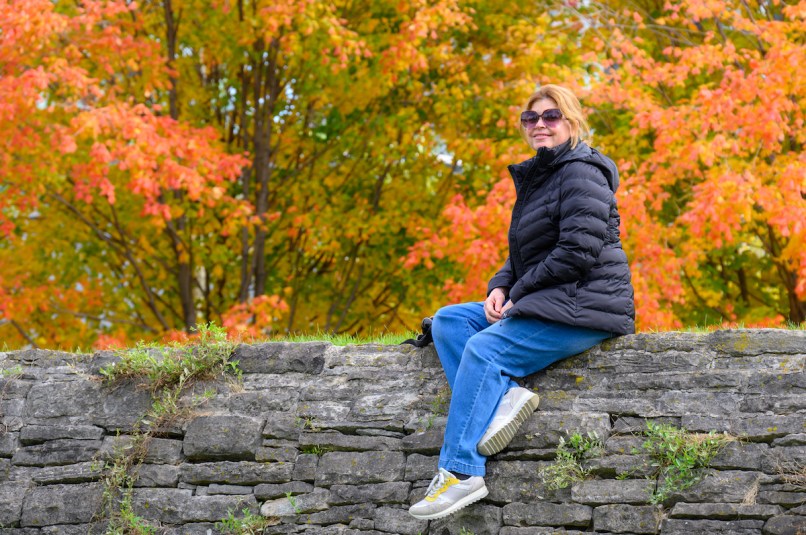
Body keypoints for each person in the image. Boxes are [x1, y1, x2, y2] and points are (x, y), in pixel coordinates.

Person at [408, 84, 635, 520]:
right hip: (551, 299)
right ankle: (506, 398)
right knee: (449, 322)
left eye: (550, 116)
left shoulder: (581, 172)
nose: (540, 125)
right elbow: (525, 253)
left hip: (586, 307)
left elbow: (577, 252)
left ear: (570, 121)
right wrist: (500, 285)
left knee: (485, 348)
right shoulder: (542, 175)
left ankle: (461, 473)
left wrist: (519, 294)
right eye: (531, 119)